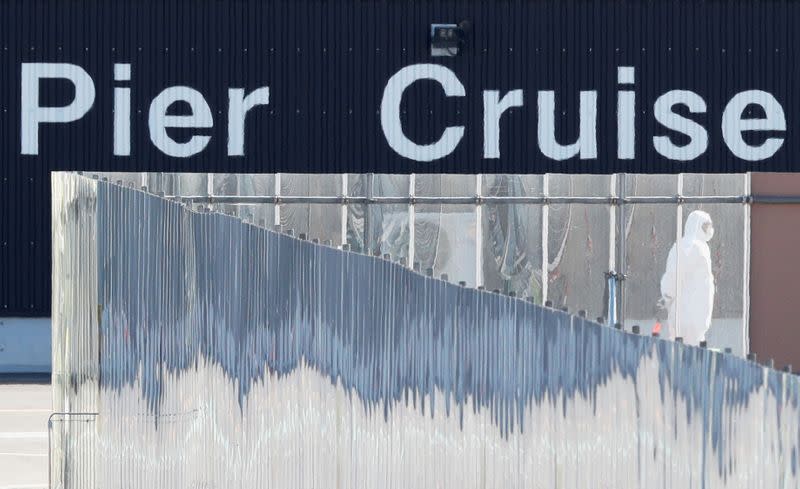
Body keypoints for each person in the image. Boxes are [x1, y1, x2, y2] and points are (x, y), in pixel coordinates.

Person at [659, 210, 715, 346]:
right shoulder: (701, 249)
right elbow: (706, 286)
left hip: (678, 316)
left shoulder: (678, 247)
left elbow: (671, 279)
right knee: (695, 359)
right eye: (705, 226)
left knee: (677, 357)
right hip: (697, 318)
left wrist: (665, 300)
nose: (709, 230)